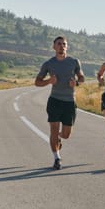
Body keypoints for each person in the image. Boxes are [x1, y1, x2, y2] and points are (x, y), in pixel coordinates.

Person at [35, 36, 85, 170]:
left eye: (64, 44)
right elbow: (37, 82)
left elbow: (81, 77)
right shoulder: (48, 64)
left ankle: (58, 137)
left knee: (66, 134)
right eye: (59, 44)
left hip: (69, 102)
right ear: (54, 47)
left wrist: (77, 83)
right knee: (53, 129)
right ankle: (57, 158)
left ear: (67, 47)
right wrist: (48, 81)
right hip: (55, 100)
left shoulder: (74, 62)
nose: (61, 46)